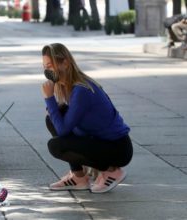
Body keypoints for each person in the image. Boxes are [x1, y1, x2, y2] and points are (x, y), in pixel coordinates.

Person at [41, 43, 133, 193]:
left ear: (65, 62)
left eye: (50, 65)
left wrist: (49, 99)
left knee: (56, 145)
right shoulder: (67, 86)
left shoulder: (81, 90)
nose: (47, 71)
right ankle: (79, 177)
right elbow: (72, 127)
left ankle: (112, 171)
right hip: (100, 142)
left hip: (118, 148)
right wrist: (56, 111)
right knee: (52, 119)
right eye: (45, 66)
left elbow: (64, 131)